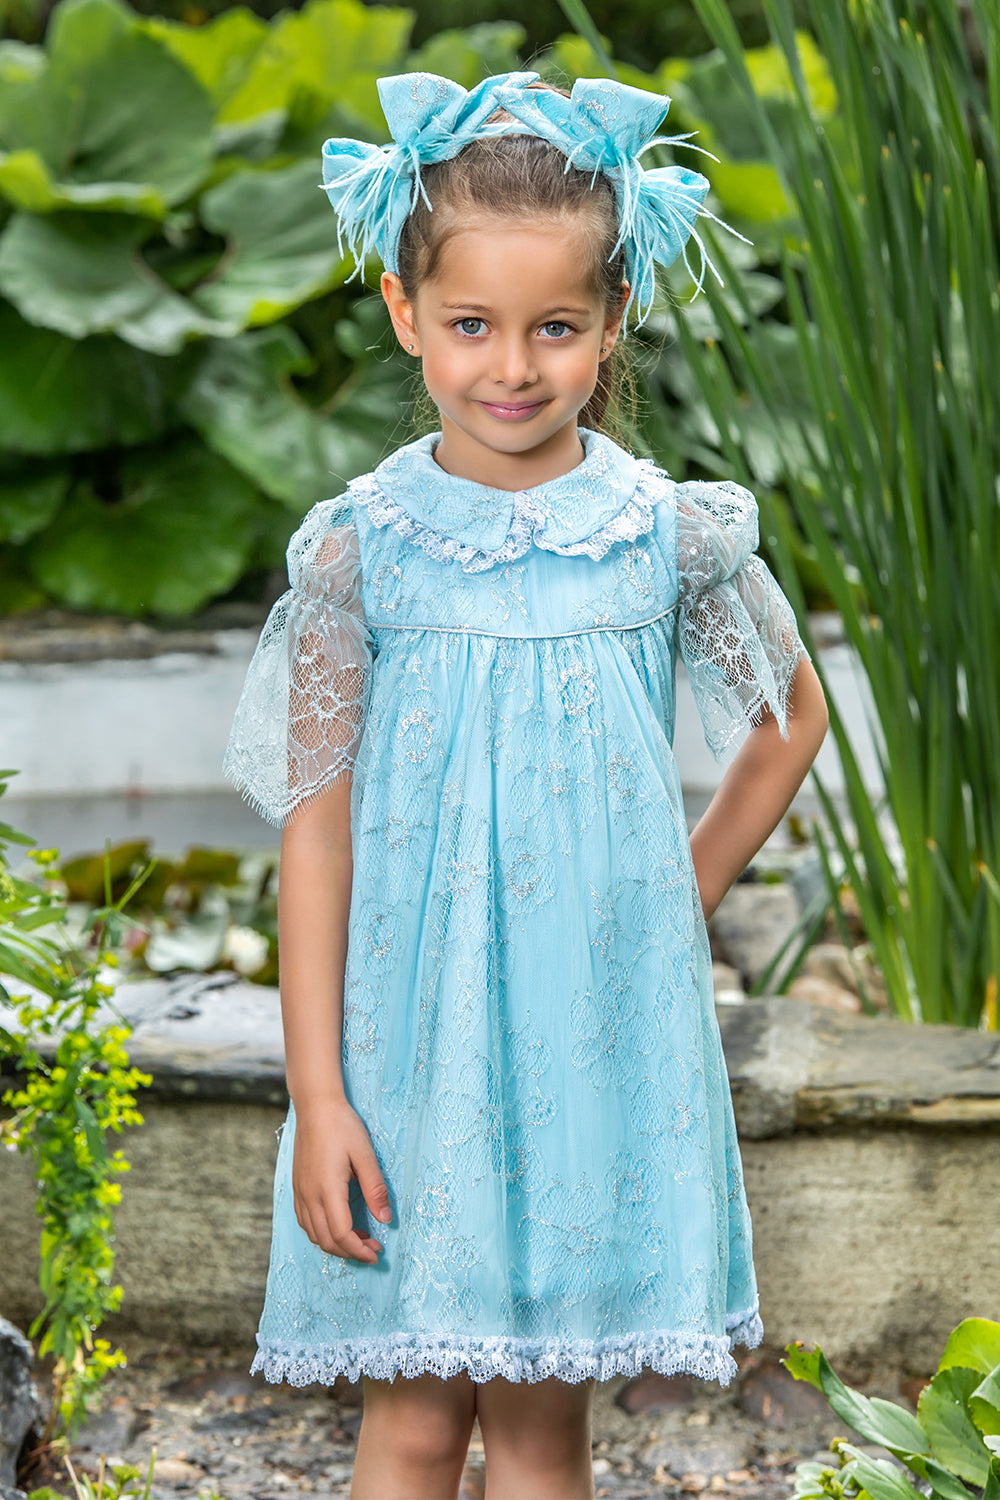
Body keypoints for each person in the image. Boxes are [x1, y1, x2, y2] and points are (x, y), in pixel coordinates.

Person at [224, 70, 829, 1500]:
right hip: (409, 1035)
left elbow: (789, 719)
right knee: (417, 1414)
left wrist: (674, 892)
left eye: (555, 327)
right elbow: (315, 836)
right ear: (402, 312)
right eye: (472, 326)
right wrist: (320, 1091)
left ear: (615, 321)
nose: (513, 366)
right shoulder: (360, 550)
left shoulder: (661, 533)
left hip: (589, 1029)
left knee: (545, 1426)